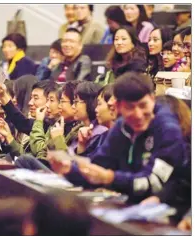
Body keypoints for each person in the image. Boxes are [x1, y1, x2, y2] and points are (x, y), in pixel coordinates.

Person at [49, 72, 186, 201]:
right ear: (117, 106)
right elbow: (98, 166)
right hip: (129, 202)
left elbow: (154, 183)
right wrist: (69, 170)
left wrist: (110, 178)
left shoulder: (168, 128)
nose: (138, 114)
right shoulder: (121, 127)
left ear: (152, 99)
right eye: (130, 108)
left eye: (143, 105)